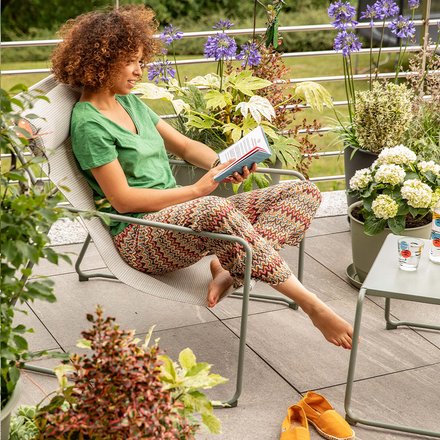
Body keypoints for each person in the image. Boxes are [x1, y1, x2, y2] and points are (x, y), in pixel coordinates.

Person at [51, 5, 353, 349]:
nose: (139, 71)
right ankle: (310, 303)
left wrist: (226, 163)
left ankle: (231, 271)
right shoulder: (89, 124)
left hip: (180, 221)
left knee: (303, 192)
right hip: (142, 236)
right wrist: (196, 190)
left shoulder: (130, 103)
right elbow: (122, 199)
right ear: (101, 61)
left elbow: (185, 146)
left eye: (141, 60)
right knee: (214, 208)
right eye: (130, 62)